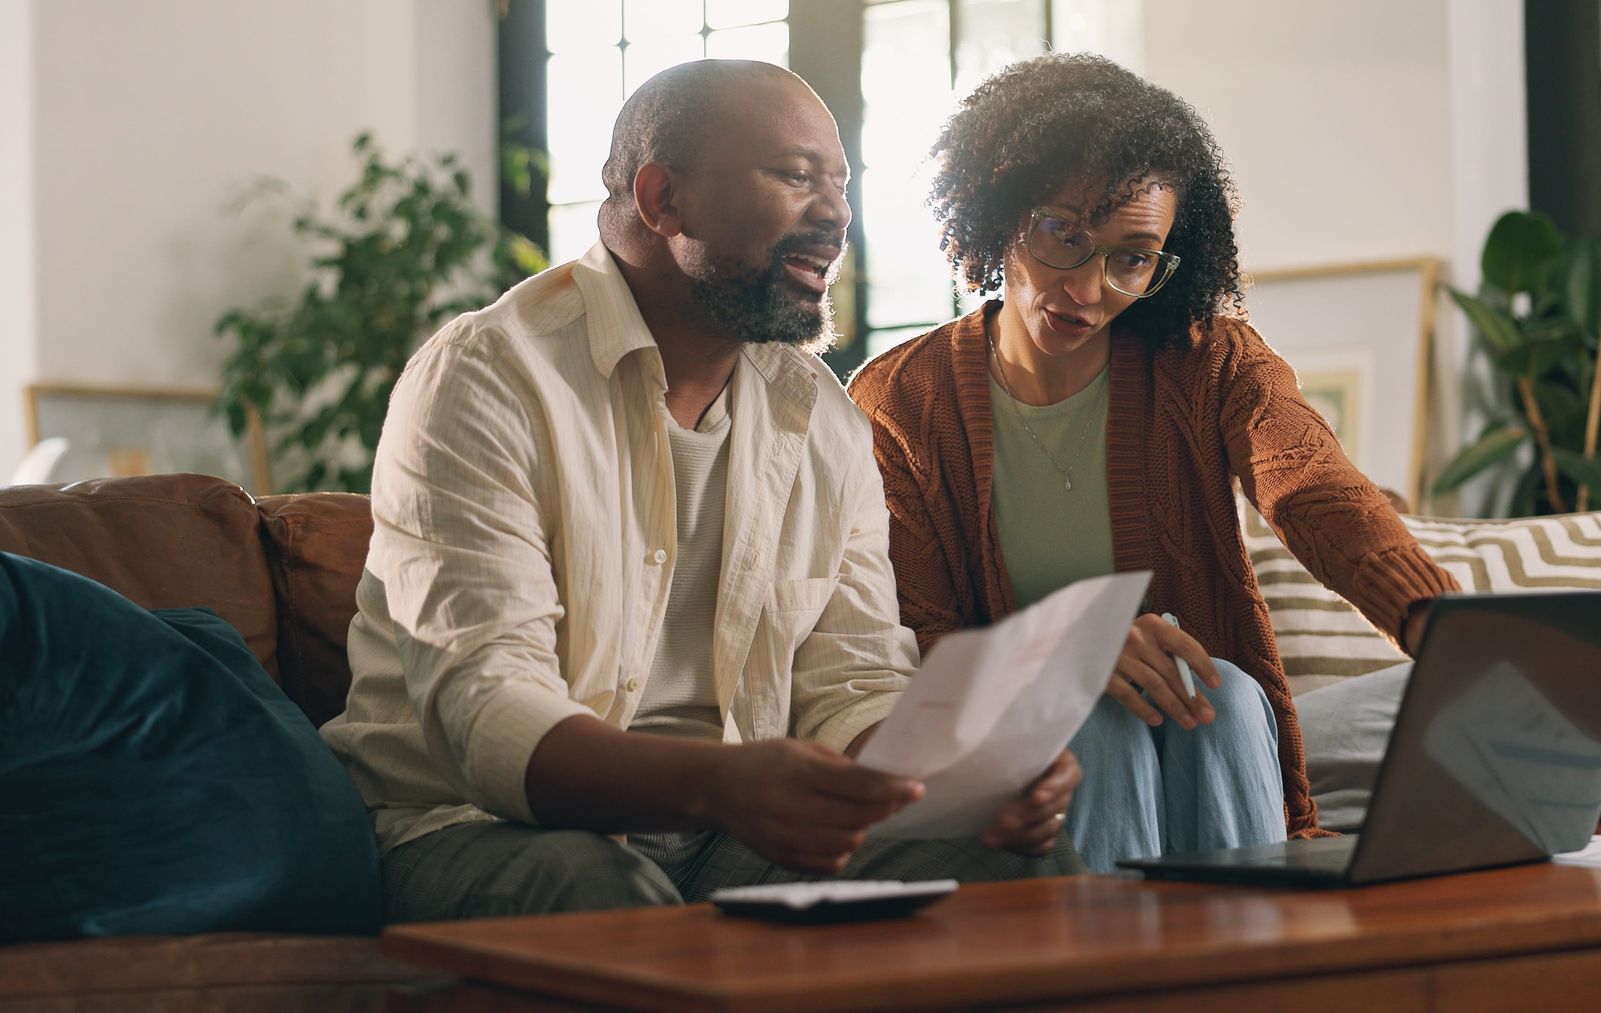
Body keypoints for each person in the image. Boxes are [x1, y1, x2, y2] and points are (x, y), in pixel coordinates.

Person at [320, 59, 1084, 922]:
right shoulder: (489, 378)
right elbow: (486, 711)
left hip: (727, 838)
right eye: (796, 176)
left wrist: (959, 773)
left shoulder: (822, 417)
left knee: (1018, 858)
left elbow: (854, 682)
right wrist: (722, 785)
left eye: (841, 184)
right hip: (471, 827)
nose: (835, 214)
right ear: (662, 199)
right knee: (604, 895)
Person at [848, 54, 1457, 872]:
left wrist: (1441, 625)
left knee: (1223, 691)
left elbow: (1312, 485)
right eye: (1064, 235)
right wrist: (1067, 652)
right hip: (1005, 744)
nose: (1089, 289)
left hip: (1201, 724)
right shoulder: (899, 400)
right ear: (1000, 218)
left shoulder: (1210, 361)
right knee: (1099, 720)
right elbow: (913, 635)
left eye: (1132, 257)